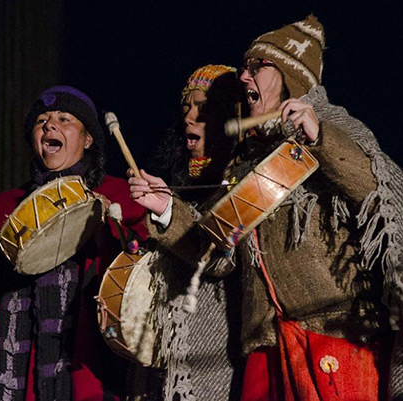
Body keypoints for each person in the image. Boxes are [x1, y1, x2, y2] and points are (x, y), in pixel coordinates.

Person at [130, 15, 403, 400]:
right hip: (265, 347)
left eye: (257, 67)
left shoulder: (334, 129)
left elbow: (376, 189)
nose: (244, 77)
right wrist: (167, 210)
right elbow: (219, 255)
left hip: (335, 334)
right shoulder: (247, 163)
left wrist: (321, 138)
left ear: (291, 76)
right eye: (245, 68)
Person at [0, 86, 148, 401]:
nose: (49, 125)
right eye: (41, 120)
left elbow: (142, 271)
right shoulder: (4, 207)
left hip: (85, 359)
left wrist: (106, 231)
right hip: (16, 356)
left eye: (64, 119)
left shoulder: (121, 195)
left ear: (87, 140)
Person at [126, 65, 245, 400]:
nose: (190, 117)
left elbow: (221, 257)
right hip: (160, 353)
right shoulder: (173, 179)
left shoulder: (241, 185)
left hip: (214, 356)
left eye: (203, 109)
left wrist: (167, 210)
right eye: (186, 108)